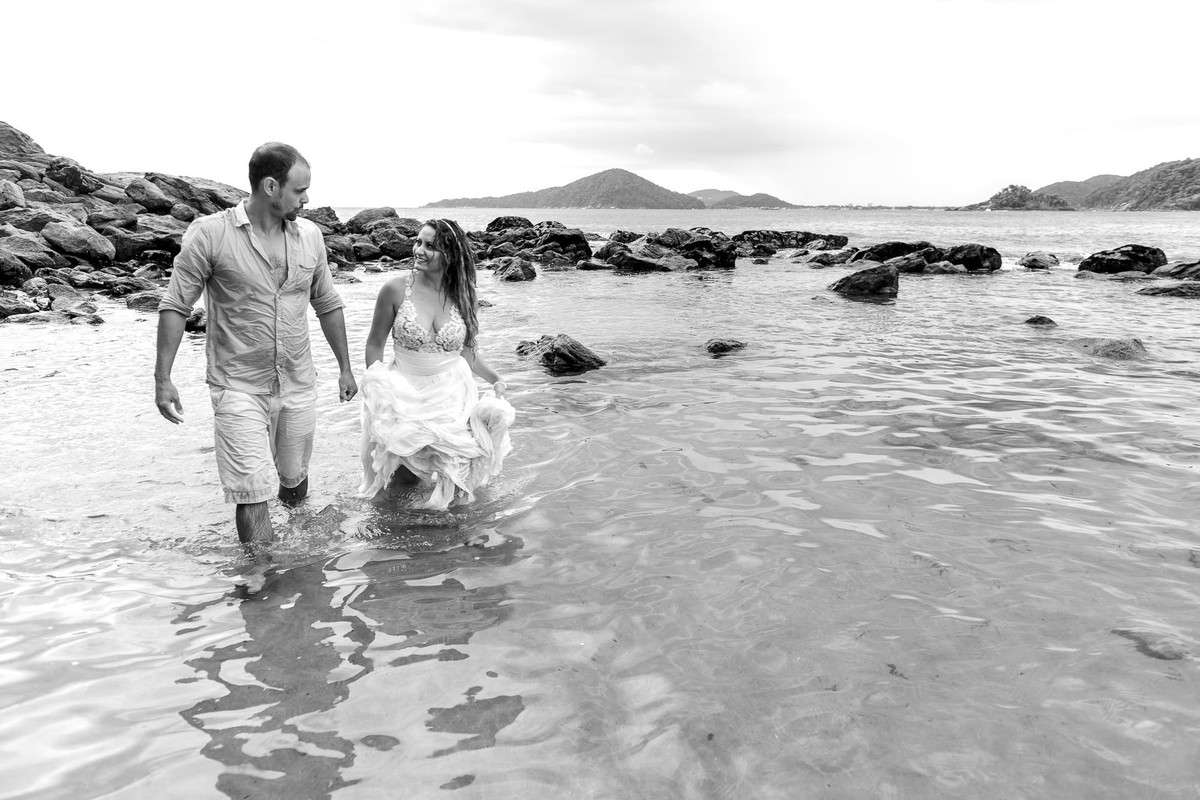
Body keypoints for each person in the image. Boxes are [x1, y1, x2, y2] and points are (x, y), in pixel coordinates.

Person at [154, 142, 357, 545]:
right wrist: (163, 378)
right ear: (270, 187)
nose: (306, 199)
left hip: (297, 380)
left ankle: (298, 561)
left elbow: (327, 303)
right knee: (250, 492)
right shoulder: (211, 234)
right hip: (237, 385)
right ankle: (260, 573)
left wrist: (345, 368)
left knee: (294, 482)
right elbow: (176, 305)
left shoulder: (310, 236)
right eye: (300, 190)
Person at [358, 218, 514, 509]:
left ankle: (452, 534)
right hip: (402, 392)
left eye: (430, 246)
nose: (419, 250)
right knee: (402, 476)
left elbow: (468, 353)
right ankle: (394, 529)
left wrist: (495, 379)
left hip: (452, 394)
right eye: (418, 242)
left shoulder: (464, 295)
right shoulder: (394, 289)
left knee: (454, 476)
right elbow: (374, 344)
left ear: (450, 255)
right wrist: (376, 390)